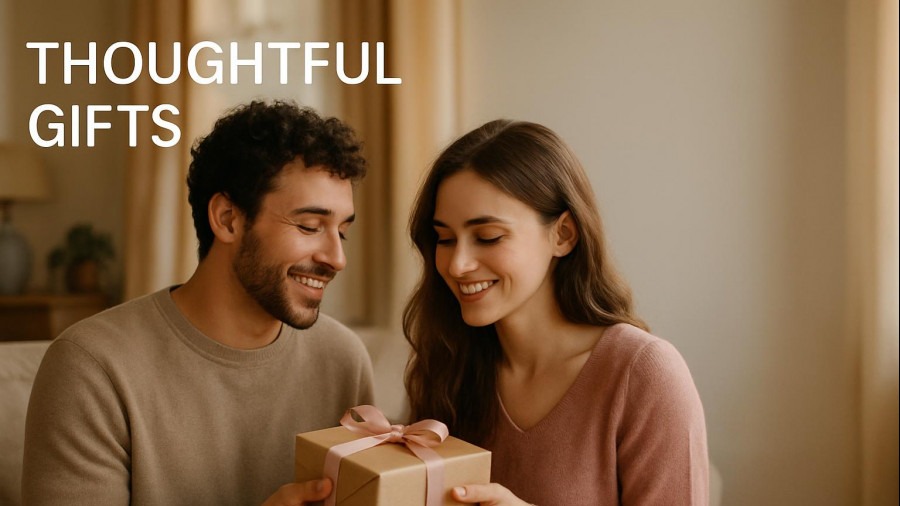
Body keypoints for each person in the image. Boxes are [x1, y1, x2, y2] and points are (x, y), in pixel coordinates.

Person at [22, 100, 374, 505]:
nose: (337, 258)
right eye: (309, 226)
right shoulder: (92, 367)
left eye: (342, 232)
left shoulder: (343, 359)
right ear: (227, 219)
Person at [404, 120, 709, 505]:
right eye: (445, 239)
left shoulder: (643, 375)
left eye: (488, 237)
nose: (457, 264)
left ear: (563, 235)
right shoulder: (449, 364)